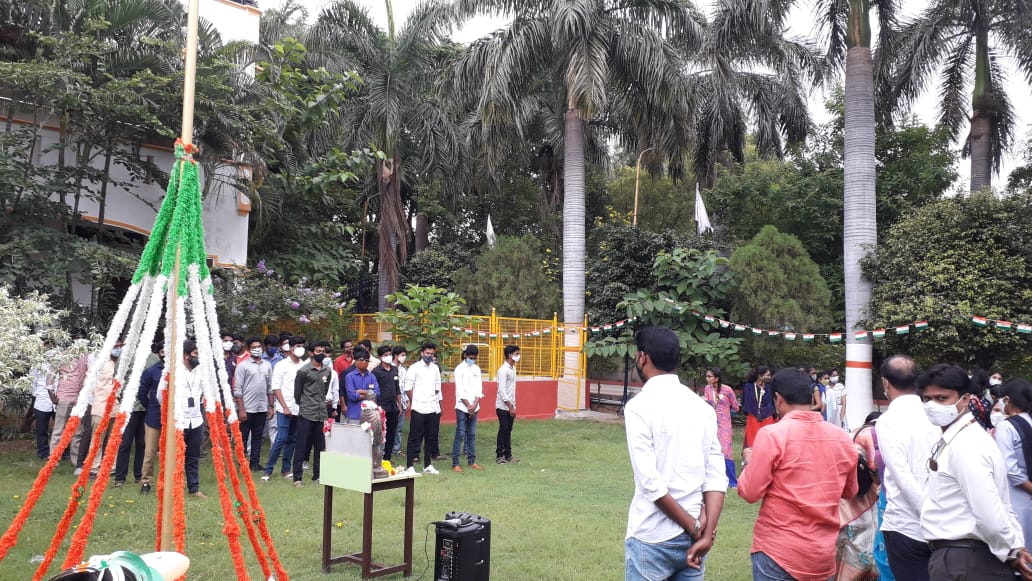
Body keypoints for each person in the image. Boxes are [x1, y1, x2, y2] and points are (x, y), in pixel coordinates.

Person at [624, 326, 726, 580]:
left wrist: (695, 527)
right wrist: (705, 533)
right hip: (695, 538)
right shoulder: (702, 408)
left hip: (653, 535)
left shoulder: (638, 407)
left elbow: (650, 483)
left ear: (643, 357)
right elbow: (716, 477)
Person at [738, 368, 859, 581]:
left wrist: (749, 461)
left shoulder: (772, 434)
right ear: (811, 396)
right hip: (822, 553)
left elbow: (750, 492)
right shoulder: (842, 438)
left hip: (778, 552)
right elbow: (850, 491)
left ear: (778, 399)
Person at [918, 363, 1032, 580]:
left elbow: (988, 511)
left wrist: (1011, 550)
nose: (933, 406)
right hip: (961, 557)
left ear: (965, 399)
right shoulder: (957, 438)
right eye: (927, 399)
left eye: (942, 398)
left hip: (968, 560)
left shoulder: (967, 445)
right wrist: (1013, 547)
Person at [875, 354, 937, 580]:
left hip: (907, 526)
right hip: (942, 524)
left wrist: (927, 514)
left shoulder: (888, 421)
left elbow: (902, 476)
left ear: (885, 382)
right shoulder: (933, 414)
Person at [836, 412, 882, 581]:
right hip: (864, 501)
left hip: (845, 498)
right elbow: (877, 470)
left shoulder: (852, 433)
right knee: (861, 543)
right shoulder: (872, 435)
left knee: (843, 542)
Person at [158, 340, 206, 498]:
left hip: (196, 420)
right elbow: (160, 395)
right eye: (195, 353)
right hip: (179, 421)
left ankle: (194, 488)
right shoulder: (173, 371)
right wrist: (173, 410)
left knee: (193, 456)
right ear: (186, 355)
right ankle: (174, 487)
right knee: (176, 455)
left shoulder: (200, 371)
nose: (197, 356)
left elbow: (205, 391)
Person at [994, 378, 1032, 553]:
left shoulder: (1006, 427)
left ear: (1007, 400)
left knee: (1021, 545)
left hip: (1018, 495)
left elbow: (1010, 469)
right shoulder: (1029, 421)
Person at [262, 336, 306, 482]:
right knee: (281, 438)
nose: (300, 348)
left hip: (299, 408)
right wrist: (285, 406)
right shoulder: (281, 365)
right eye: (298, 345)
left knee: (292, 439)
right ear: (291, 348)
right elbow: (276, 387)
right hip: (283, 408)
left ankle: (286, 469)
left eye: (302, 346)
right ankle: (268, 470)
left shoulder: (304, 366)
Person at [113, 343, 158, 486]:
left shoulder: (154, 358)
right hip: (129, 406)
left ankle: (139, 475)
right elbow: (117, 378)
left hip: (147, 406)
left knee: (143, 443)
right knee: (125, 443)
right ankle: (120, 478)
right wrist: (123, 397)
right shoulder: (126, 357)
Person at [292, 341, 332, 487]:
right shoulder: (304, 371)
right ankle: (297, 478)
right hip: (307, 413)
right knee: (301, 445)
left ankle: (318, 476)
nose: (321, 354)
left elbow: (325, 390)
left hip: (321, 413)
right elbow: (297, 393)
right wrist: (305, 404)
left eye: (323, 351)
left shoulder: (327, 370)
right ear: (311, 353)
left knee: (320, 447)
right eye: (318, 351)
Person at [233, 337, 273, 471]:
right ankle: (242, 463)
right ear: (248, 349)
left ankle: (255, 463)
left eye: (259, 347)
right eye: (254, 347)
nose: (257, 349)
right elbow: (237, 389)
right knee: (243, 437)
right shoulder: (243, 365)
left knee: (258, 436)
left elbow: (270, 387)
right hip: (247, 408)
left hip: (261, 407)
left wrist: (271, 406)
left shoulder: (267, 365)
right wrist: (241, 409)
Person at [403, 342, 442, 475]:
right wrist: (416, 400)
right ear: (422, 353)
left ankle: (428, 464)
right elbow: (408, 387)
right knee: (414, 437)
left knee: (430, 437)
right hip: (418, 408)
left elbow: (437, 386)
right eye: (427, 353)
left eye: (431, 354)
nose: (429, 356)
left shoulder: (435, 368)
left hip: (432, 407)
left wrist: (431, 398)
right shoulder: (414, 368)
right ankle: (410, 465)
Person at [51, 350, 91, 470]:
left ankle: (76, 461)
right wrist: (51, 395)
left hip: (80, 399)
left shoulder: (87, 356)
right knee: (59, 430)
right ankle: (53, 460)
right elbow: (50, 375)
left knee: (78, 432)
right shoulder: (62, 355)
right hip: (64, 397)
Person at [89, 340, 124, 477]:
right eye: (116, 346)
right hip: (100, 407)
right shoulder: (100, 364)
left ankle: (112, 466)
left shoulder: (121, 364)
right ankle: (94, 468)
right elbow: (90, 384)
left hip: (116, 407)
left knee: (113, 439)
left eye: (120, 346)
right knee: (97, 439)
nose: (119, 349)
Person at [702, 367, 739, 487]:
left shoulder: (727, 389)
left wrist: (726, 413)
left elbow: (735, 407)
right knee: (711, 448)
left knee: (726, 450)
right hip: (711, 422)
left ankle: (732, 481)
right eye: (707, 376)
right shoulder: (707, 388)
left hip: (724, 423)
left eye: (709, 376)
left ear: (717, 378)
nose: (707, 378)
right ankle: (714, 477)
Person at [452, 345, 485, 472]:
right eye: (471, 358)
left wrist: (475, 405)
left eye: (475, 358)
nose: (473, 360)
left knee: (471, 435)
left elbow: (479, 388)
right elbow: (460, 390)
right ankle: (455, 463)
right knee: (460, 434)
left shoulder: (476, 369)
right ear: (465, 355)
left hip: (474, 407)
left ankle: (472, 461)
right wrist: (468, 406)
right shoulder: (459, 369)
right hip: (462, 406)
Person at [138, 344, 164, 494]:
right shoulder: (152, 371)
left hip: (174, 417)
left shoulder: (179, 370)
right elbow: (141, 393)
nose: (165, 354)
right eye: (162, 351)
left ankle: (171, 480)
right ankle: (146, 482)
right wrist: (151, 407)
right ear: (158, 353)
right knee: (150, 451)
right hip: (154, 416)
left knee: (174, 451)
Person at [371, 345, 402, 463]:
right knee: (379, 432)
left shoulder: (395, 369)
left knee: (392, 432)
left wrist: (399, 404)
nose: (388, 357)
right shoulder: (376, 372)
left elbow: (397, 388)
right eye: (385, 355)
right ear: (380, 357)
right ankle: (377, 457)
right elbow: (373, 390)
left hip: (393, 405)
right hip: (381, 405)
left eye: (390, 354)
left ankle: (387, 458)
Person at [741, 366, 774, 467]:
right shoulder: (749, 387)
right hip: (753, 417)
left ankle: (767, 462)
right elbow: (745, 401)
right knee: (752, 439)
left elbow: (771, 402)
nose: (769, 377)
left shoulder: (769, 387)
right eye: (767, 375)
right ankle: (751, 462)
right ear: (760, 376)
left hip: (767, 417)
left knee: (768, 440)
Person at [495, 345, 519, 464]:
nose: (518, 356)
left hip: (511, 405)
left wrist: (513, 405)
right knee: (503, 429)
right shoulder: (503, 370)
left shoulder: (513, 369)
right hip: (503, 406)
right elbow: (502, 390)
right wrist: (510, 407)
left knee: (508, 430)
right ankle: (500, 455)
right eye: (516, 354)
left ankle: (508, 455)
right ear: (510, 355)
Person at [29, 362, 58, 460]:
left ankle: (64, 452)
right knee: (41, 429)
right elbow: (32, 381)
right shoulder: (37, 364)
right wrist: (36, 395)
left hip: (58, 399)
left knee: (62, 428)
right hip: (42, 400)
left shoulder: (62, 362)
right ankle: (43, 453)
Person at [392, 345, 409, 458]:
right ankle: (387, 447)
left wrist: (407, 400)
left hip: (402, 402)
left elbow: (405, 387)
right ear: (395, 355)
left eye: (404, 355)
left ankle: (396, 448)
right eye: (402, 355)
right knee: (390, 426)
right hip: (392, 402)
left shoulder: (403, 370)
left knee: (399, 427)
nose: (404, 357)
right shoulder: (390, 368)